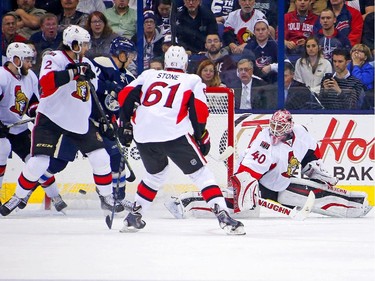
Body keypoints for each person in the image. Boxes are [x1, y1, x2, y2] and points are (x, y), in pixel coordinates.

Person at [116, 45, 245, 235]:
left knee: (155, 174)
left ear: (166, 63)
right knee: (201, 174)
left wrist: (124, 124)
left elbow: (125, 96)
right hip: (173, 132)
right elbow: (199, 110)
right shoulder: (192, 80)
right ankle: (223, 216)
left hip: (143, 133)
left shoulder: (149, 74)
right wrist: (202, 137)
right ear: (185, 64)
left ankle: (134, 216)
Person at [165, 109, 371, 219]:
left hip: (283, 185)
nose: (274, 131)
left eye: (279, 127)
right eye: (272, 126)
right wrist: (247, 191)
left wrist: (313, 167)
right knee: (241, 208)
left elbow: (310, 152)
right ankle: (184, 203)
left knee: (318, 196)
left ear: (290, 127)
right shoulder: (264, 144)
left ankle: (356, 205)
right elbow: (245, 173)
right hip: (259, 186)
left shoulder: (301, 131)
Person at [0, 25, 116, 216]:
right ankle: (18, 196)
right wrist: (73, 73)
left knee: (101, 157)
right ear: (75, 44)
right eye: (84, 44)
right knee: (39, 162)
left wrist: (104, 119)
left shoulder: (88, 63)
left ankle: (107, 197)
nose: (87, 47)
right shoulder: (54, 57)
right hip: (51, 118)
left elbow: (93, 94)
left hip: (78, 121)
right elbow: (46, 83)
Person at [0, 42, 67, 213]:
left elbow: (34, 101)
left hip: (18, 128)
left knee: (37, 161)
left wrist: (36, 111)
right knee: (3, 148)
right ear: (15, 60)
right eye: (27, 60)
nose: (31, 64)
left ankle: (56, 197)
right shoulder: (2, 76)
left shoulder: (30, 77)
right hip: (2, 129)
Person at [244, 18, 278, 84]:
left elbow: (286, 63)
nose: (260, 32)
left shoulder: (275, 46)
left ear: (268, 31)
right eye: (257, 30)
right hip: (254, 81)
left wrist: (271, 67)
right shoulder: (248, 47)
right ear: (254, 32)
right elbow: (243, 66)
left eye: (263, 29)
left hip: (273, 81)